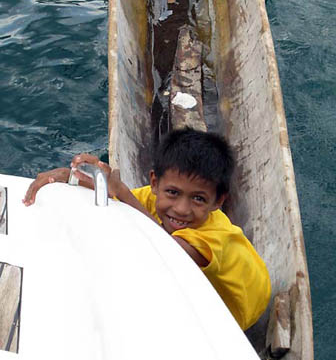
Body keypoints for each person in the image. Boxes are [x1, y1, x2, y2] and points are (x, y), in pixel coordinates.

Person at [23, 127, 271, 330]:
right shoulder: (153, 200)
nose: (182, 209)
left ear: (218, 202)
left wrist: (121, 191)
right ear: (154, 183)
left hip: (239, 310)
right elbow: (115, 197)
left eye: (198, 199)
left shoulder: (216, 237)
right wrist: (70, 176)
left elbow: (169, 251)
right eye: (173, 193)